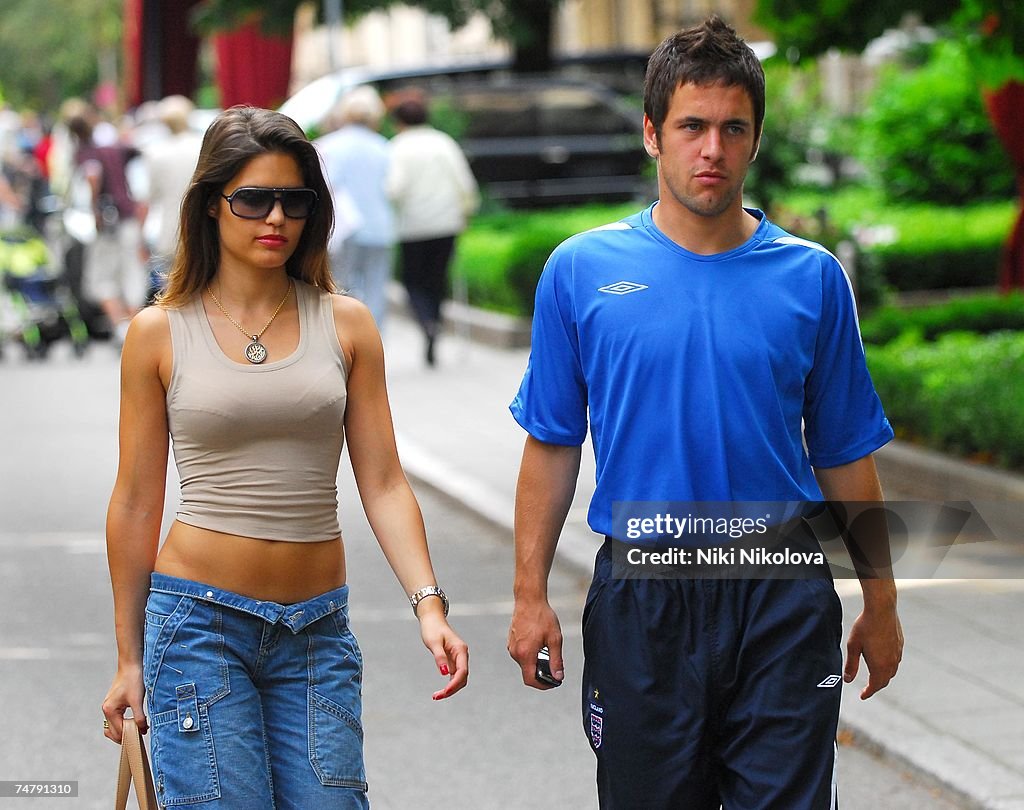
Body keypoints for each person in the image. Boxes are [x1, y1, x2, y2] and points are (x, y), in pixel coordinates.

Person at [506, 16, 903, 809]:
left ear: (755, 140)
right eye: (692, 126)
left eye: (733, 129)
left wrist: (881, 602)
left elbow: (845, 451)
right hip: (642, 593)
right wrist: (528, 595)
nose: (712, 150)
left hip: (782, 593)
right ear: (653, 134)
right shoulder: (581, 272)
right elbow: (552, 443)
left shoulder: (812, 278)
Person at [100, 106, 469, 809]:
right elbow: (136, 501)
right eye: (254, 200)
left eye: (295, 201)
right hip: (198, 626)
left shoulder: (347, 323)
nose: (276, 217)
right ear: (212, 205)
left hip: (316, 629)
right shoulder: (158, 333)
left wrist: (429, 605)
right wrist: (128, 659)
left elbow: (385, 482)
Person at [387, 94, 479, 366]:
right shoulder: (443, 143)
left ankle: (426, 321)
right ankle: (435, 321)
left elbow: (394, 188)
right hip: (446, 222)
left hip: (413, 226)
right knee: (437, 278)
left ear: (399, 121)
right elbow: (465, 182)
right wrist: (466, 211)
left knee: (413, 281)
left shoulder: (397, 148)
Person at [316, 85, 396, 331]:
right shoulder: (384, 147)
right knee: (375, 289)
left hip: (341, 229)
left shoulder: (327, 146)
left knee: (339, 288)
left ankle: (344, 342)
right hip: (379, 227)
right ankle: (374, 346)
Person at [65, 106, 145, 342]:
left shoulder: (86, 152)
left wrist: (94, 208)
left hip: (107, 222)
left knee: (102, 277)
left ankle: (121, 326)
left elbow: (92, 176)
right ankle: (135, 324)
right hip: (128, 216)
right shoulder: (114, 148)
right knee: (131, 271)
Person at [138, 95, 203, 302]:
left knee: (175, 292)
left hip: (169, 231)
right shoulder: (202, 145)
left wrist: (141, 236)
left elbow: (148, 199)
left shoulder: (155, 152)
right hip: (202, 227)